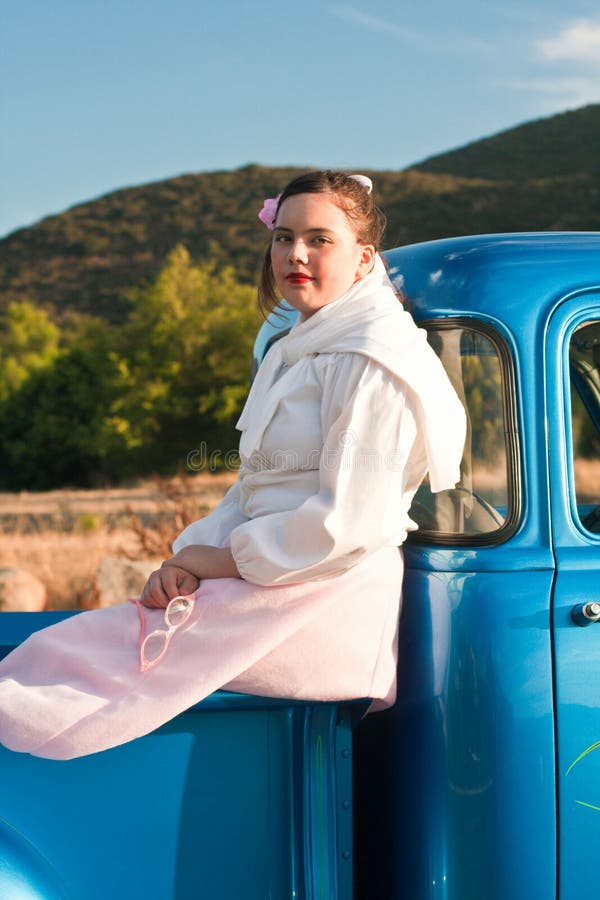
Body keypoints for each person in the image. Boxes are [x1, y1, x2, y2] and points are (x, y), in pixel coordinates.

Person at [0, 170, 466, 760]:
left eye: (320, 239)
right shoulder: (298, 347)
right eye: (283, 237)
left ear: (362, 256)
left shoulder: (372, 356)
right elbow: (256, 488)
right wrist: (188, 560)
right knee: (68, 650)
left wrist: (220, 561)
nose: (295, 254)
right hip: (269, 576)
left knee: (77, 662)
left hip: (322, 593)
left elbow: (350, 523)